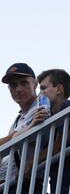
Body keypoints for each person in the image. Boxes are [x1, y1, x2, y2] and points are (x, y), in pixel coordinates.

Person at [1, 63, 48, 193]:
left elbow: (13, 138)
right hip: (9, 184)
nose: (18, 89)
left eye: (23, 83)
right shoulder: (18, 118)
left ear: (35, 84)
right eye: (13, 85)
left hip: (24, 185)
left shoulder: (41, 107)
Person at [35, 68, 70, 194]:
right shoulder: (49, 117)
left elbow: (58, 145)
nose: (40, 94)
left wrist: (31, 163)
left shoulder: (69, 106)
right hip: (58, 183)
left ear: (58, 89)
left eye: (43, 88)